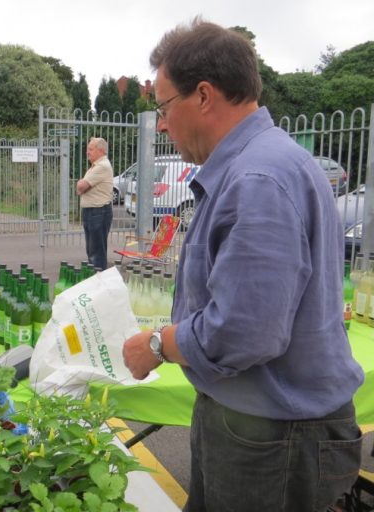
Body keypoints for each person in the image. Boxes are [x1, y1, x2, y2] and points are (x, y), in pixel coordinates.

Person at [122, 18, 363, 512]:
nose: (162, 123)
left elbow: (244, 332)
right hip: (261, 427)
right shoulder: (265, 163)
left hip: (272, 439)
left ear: (205, 96)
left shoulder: (257, 178)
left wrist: (157, 344)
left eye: (164, 106)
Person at [76, 137, 113, 270]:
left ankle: (99, 279)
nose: (87, 152)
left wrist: (83, 185)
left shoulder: (102, 166)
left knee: (96, 253)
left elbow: (80, 187)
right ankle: (96, 279)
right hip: (93, 212)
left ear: (101, 151)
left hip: (98, 212)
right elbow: (81, 187)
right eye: (87, 149)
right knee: (92, 250)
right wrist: (83, 185)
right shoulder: (96, 166)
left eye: (90, 149)